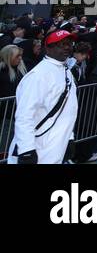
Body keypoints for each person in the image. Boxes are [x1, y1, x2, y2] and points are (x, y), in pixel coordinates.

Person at [6, 29, 77, 164]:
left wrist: (69, 138)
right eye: (61, 44)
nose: (68, 47)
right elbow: (24, 115)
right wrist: (26, 149)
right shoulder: (38, 76)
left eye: (69, 43)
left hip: (57, 145)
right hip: (37, 146)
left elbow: (69, 108)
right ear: (48, 48)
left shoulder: (66, 71)